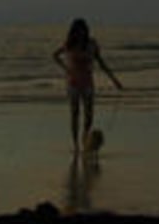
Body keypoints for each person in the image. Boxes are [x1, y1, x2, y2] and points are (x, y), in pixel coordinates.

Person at [53, 18, 123, 152]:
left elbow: (101, 63)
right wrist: (66, 68)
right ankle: (76, 144)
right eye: (79, 31)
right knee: (75, 114)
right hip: (73, 82)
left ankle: (85, 138)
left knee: (89, 115)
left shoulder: (92, 44)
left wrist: (114, 80)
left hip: (87, 82)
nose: (81, 33)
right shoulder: (69, 44)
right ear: (74, 32)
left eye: (83, 30)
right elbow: (55, 55)